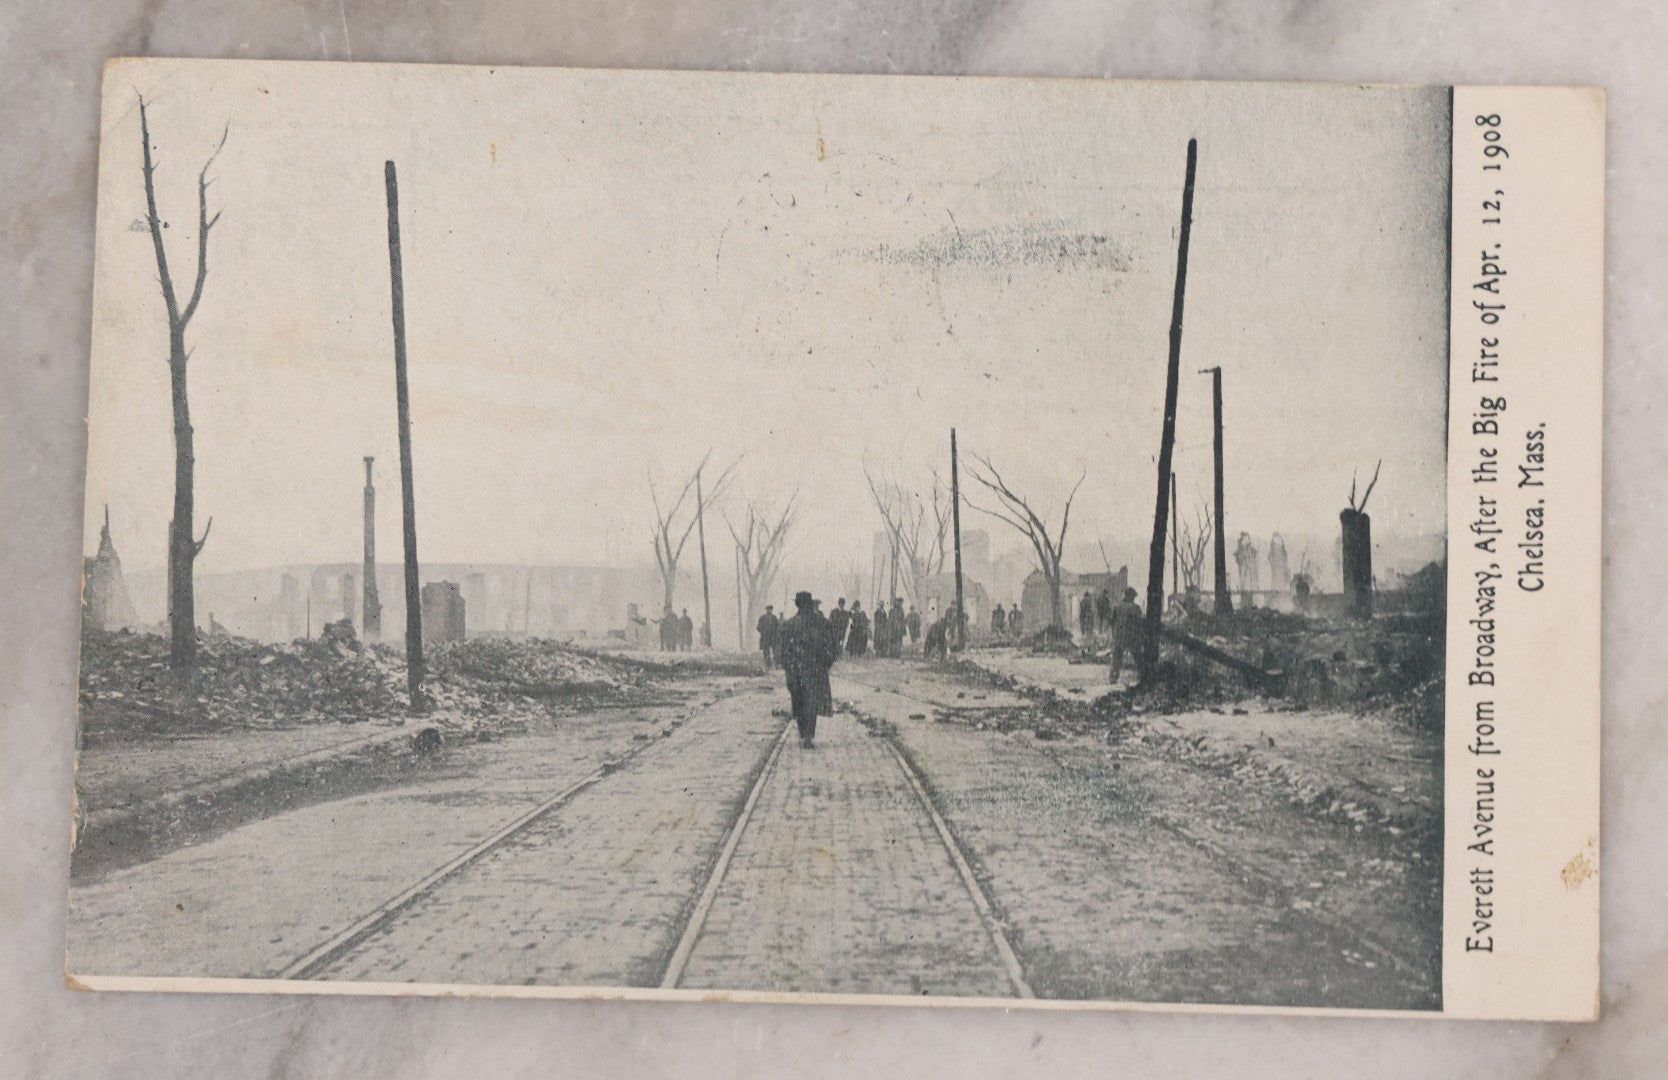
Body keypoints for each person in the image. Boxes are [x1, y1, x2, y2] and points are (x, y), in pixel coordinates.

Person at [779, 591, 837, 747]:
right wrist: (825, 664)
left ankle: (805, 734)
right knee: (811, 702)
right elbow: (833, 647)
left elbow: (783, 653)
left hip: (797, 671)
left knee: (799, 702)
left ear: (797, 604)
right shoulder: (821, 623)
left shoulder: (789, 624)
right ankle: (808, 736)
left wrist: (789, 669)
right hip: (815, 670)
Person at [1109, 587, 1144, 683]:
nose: (1133, 598)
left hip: (1119, 636)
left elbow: (1112, 622)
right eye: (1133, 597)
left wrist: (1114, 634)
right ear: (1131, 596)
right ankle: (1144, 676)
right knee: (1138, 657)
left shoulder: (1117, 607)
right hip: (1132, 636)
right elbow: (1139, 624)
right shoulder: (1136, 608)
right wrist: (1141, 637)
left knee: (1116, 658)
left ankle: (1113, 678)